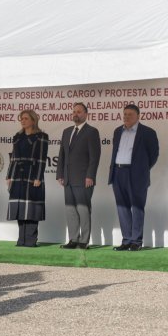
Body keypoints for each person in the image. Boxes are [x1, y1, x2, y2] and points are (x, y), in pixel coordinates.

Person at [109, 104, 159, 251]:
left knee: (137, 208)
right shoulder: (118, 131)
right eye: (125, 114)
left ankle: (136, 242)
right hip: (118, 173)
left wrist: (141, 170)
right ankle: (126, 240)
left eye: (130, 114)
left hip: (137, 175)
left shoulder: (148, 132)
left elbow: (153, 155)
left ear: (138, 116)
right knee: (122, 208)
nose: (126, 117)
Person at [56, 103, 101, 249]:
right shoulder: (66, 131)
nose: (76, 114)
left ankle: (83, 241)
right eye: (74, 111)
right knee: (70, 210)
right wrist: (60, 174)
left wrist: (90, 176)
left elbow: (95, 157)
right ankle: (73, 239)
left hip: (83, 179)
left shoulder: (91, 132)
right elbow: (62, 155)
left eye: (79, 112)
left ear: (86, 114)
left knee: (83, 209)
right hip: (68, 178)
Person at [6, 110, 49, 247]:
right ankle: (21, 240)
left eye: (25, 118)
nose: (23, 121)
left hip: (32, 175)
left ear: (33, 120)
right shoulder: (17, 137)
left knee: (31, 208)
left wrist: (38, 178)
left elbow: (42, 159)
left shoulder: (41, 136)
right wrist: (9, 176)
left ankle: (30, 240)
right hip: (18, 175)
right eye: (21, 119)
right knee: (20, 207)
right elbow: (13, 158)